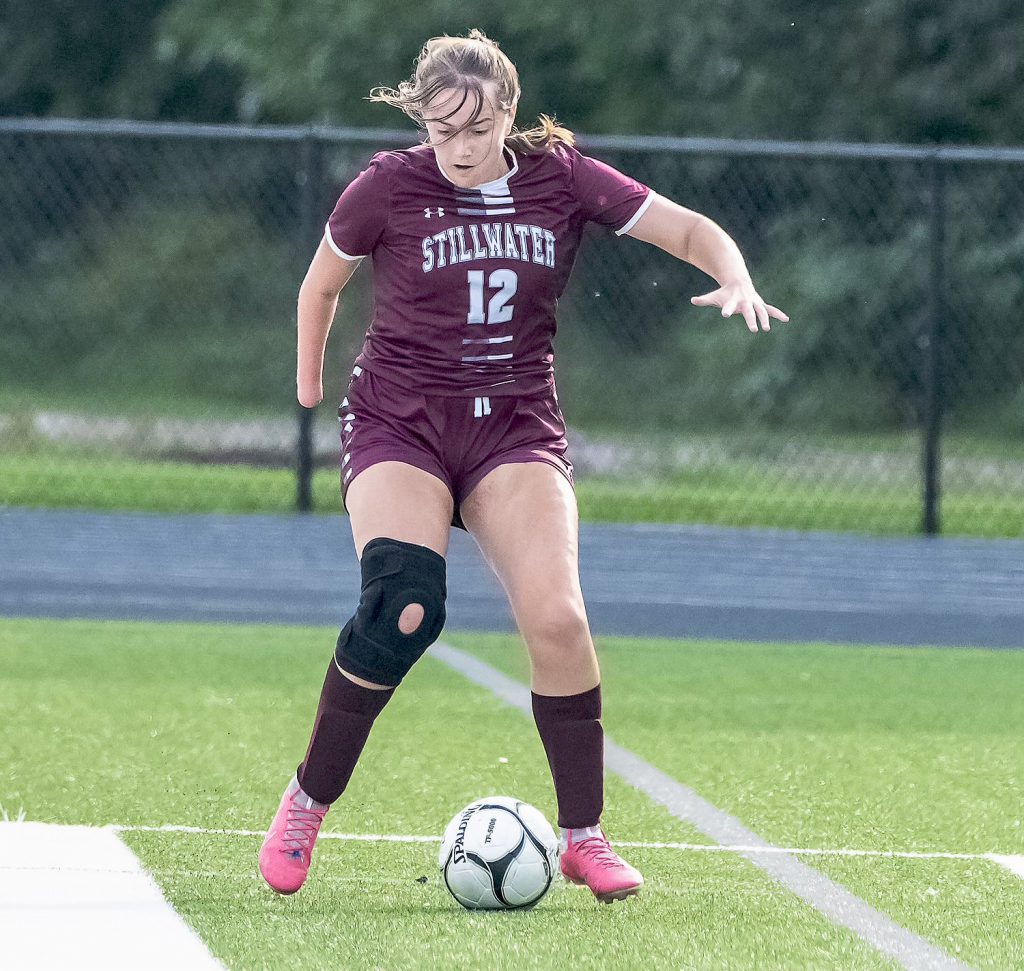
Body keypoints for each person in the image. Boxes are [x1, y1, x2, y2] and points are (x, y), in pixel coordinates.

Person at [258, 28, 788, 904]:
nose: (459, 149)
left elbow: (689, 229)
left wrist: (733, 274)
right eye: (441, 131)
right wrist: (312, 385)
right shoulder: (388, 186)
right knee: (404, 607)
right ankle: (308, 800)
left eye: (476, 129)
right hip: (402, 422)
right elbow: (322, 285)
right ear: (421, 121)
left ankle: (583, 835)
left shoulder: (563, 178)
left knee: (558, 620)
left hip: (514, 428)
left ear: (509, 110)